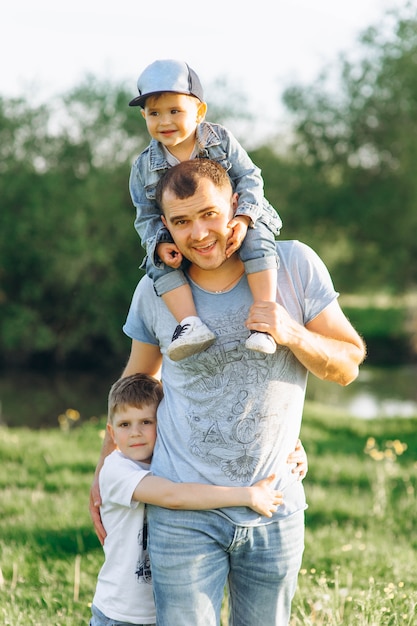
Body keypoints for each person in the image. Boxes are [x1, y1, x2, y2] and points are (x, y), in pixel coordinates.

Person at [90, 159, 365, 625]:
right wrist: (106, 470)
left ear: (236, 206)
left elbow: (348, 365)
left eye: (209, 214)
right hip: (183, 514)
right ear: (164, 227)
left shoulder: (293, 264)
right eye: (180, 222)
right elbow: (135, 387)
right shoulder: (155, 289)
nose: (198, 234)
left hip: (275, 506)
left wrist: (293, 333)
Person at [90, 372, 305, 626]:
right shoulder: (116, 470)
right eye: (125, 425)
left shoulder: (168, 460)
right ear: (111, 433)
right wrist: (247, 496)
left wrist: (290, 456)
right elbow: (173, 496)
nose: (135, 433)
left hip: (164, 611)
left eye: (146, 422)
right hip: (122, 614)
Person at [128, 58, 282, 361]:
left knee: (257, 240)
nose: (164, 122)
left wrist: (243, 217)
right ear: (144, 115)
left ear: (199, 112)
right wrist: (159, 244)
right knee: (155, 265)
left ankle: (264, 321)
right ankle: (190, 325)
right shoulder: (143, 165)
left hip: (238, 217)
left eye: (175, 111)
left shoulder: (219, 140)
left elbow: (250, 177)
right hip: (180, 233)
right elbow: (145, 215)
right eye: (154, 113)